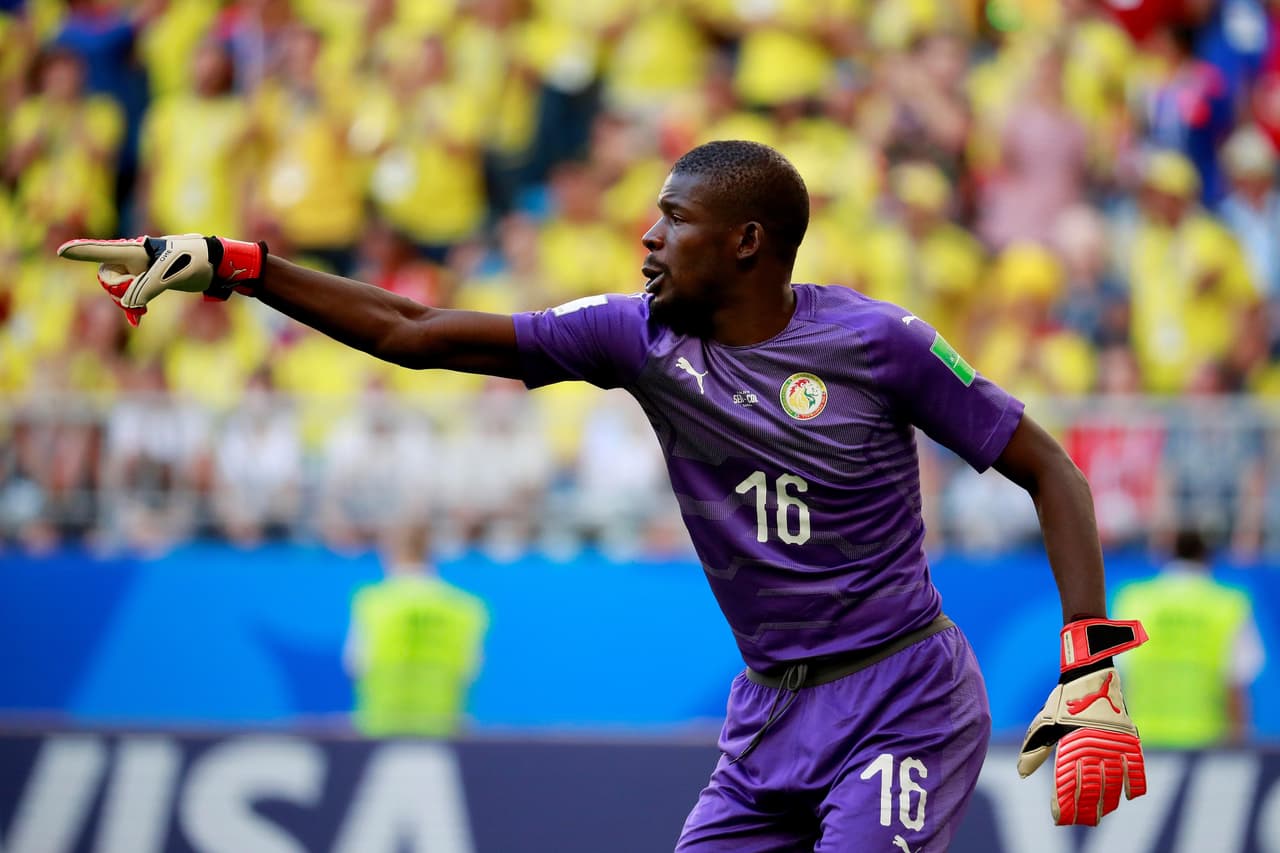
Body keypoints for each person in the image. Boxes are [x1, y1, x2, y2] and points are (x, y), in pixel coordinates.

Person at [59, 140, 1149, 848]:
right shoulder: (634, 337)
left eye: (670, 219)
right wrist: (243, 265)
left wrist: (1087, 666)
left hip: (899, 699)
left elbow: (1047, 468)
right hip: (767, 707)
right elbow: (412, 331)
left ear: (744, 242)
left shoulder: (877, 343)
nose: (645, 236)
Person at [1112, 528, 1265, 747]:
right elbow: (1236, 682)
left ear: (1168, 554)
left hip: (1143, 739)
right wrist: (1239, 742)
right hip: (1206, 741)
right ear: (1207, 556)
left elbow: (1117, 676)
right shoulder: (1228, 604)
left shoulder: (1135, 600)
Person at [344, 522, 489, 737]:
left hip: (381, 723)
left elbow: (356, 663)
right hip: (442, 724)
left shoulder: (372, 602)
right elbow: (470, 669)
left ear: (390, 553)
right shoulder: (463, 607)